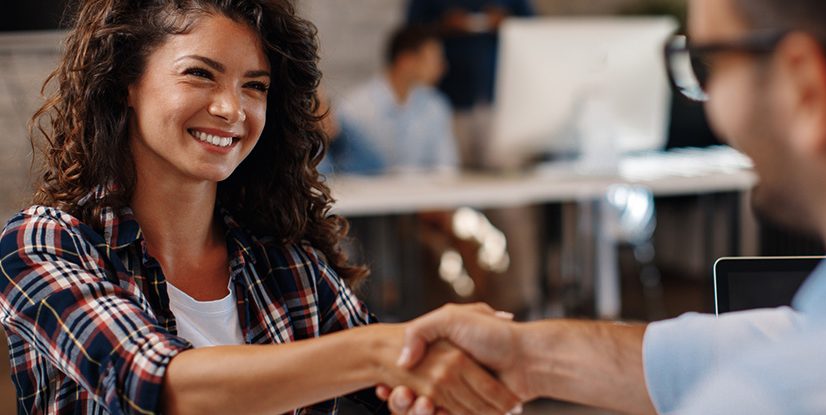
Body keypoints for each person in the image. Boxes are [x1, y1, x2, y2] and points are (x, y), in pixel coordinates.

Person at [380, 0, 826, 413]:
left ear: (805, 88)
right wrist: (528, 357)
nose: (708, 103)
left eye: (706, 64)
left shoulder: (778, 398)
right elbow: (797, 337)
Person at [0, 1, 522, 414]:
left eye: (255, 87)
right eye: (201, 74)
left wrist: (454, 380)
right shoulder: (44, 244)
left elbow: (397, 390)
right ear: (126, 84)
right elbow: (155, 387)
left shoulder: (287, 264)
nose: (232, 109)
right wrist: (386, 353)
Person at [405, 0, 534, 168]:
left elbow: (532, 26)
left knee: (502, 171)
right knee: (452, 169)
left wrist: (507, 21)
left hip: (496, 94)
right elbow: (410, 32)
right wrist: (442, 24)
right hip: (451, 96)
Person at [334, 25, 458, 175]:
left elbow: (446, 169)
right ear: (405, 61)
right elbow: (343, 170)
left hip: (424, 196)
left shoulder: (436, 106)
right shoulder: (354, 108)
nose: (442, 67)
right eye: (434, 59)